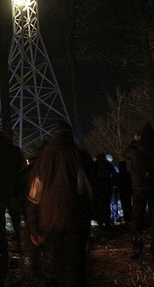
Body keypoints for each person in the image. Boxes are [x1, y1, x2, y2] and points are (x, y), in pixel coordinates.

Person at [24, 122, 93, 286]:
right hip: (73, 223)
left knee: (54, 268)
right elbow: (86, 193)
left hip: (48, 224)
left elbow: (34, 196)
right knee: (73, 271)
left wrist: (33, 228)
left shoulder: (43, 159)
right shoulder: (78, 157)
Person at [0, 129, 27, 269]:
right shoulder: (15, 152)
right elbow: (23, 170)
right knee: (16, 221)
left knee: (0, 223)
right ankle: (20, 248)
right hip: (13, 191)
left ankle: (4, 253)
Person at [122, 124, 154, 260]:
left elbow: (125, 154)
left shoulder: (134, 151)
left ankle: (137, 246)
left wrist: (134, 141)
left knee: (137, 219)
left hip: (139, 189)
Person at [93, 152, 116, 228]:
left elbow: (92, 174)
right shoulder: (108, 164)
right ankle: (107, 222)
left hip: (99, 186)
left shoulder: (95, 164)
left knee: (100, 204)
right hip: (106, 185)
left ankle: (100, 221)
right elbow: (114, 173)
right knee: (106, 204)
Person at [115, 160, 133, 226]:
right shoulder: (128, 174)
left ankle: (127, 219)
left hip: (122, 191)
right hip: (127, 191)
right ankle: (130, 218)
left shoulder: (119, 175)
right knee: (128, 204)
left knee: (125, 205)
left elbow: (116, 183)